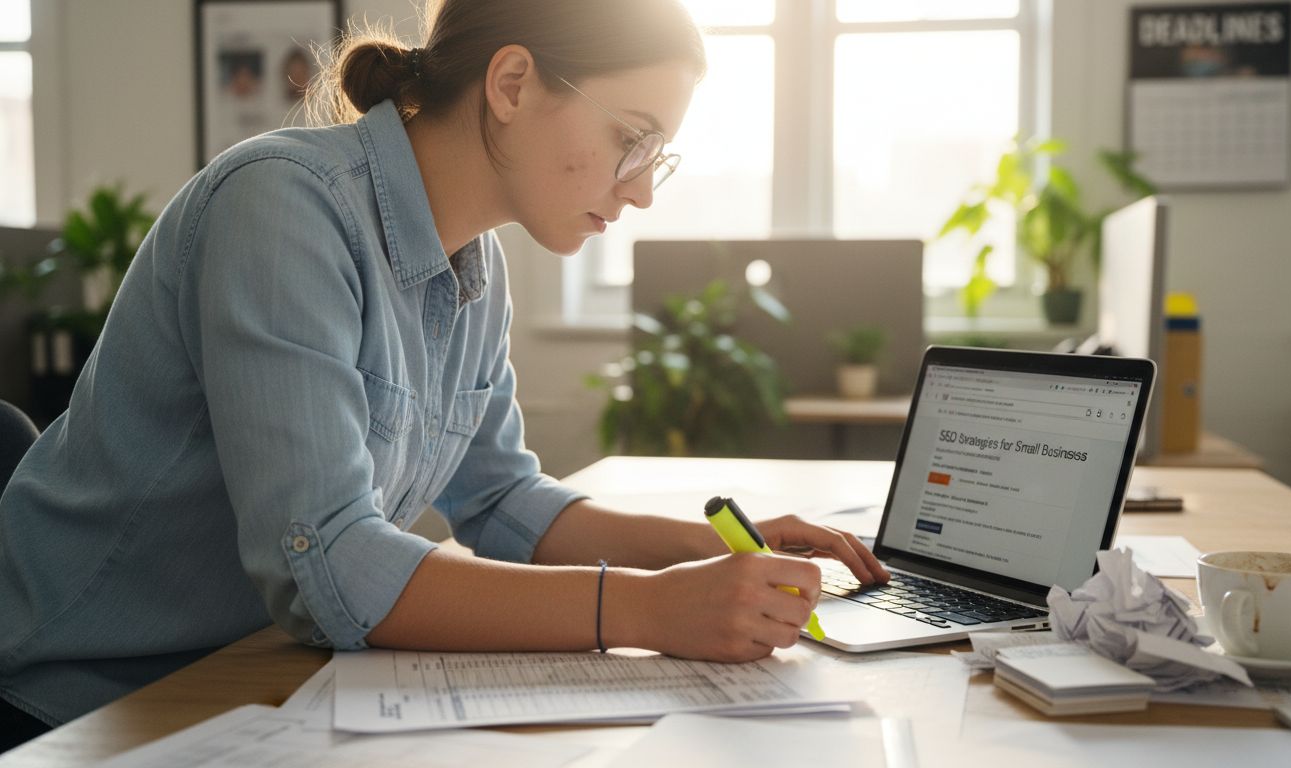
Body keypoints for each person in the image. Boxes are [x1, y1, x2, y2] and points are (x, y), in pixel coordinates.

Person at [0, 0, 888, 750]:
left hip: (243, 676)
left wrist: (719, 551)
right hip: (71, 696)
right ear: (511, 85)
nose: (642, 189)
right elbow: (334, 566)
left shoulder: (477, 265)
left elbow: (503, 502)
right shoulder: (282, 207)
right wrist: (652, 612)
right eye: (631, 139)